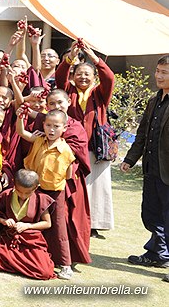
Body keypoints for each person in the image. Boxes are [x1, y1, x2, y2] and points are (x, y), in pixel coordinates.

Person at [55, 40, 115, 237]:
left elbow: (109, 78)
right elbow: (60, 76)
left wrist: (95, 59)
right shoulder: (68, 92)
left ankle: (95, 224)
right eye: (79, 73)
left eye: (87, 74)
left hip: (94, 148)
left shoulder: (99, 93)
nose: (82, 77)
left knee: (97, 187)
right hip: (71, 147)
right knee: (74, 185)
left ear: (94, 77)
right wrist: (70, 57)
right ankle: (74, 220)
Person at [122, 55, 169, 283]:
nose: (159, 76)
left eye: (164, 72)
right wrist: (130, 159)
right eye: (158, 71)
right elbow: (142, 134)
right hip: (152, 169)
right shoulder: (154, 101)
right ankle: (157, 254)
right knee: (151, 214)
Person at [17, 109, 76, 279]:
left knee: (58, 226)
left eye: (56, 126)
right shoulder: (39, 140)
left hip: (55, 191)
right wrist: (21, 117)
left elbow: (69, 174)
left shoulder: (65, 150)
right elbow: (22, 133)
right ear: (43, 125)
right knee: (30, 220)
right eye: (48, 125)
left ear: (64, 128)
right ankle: (29, 257)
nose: (51, 130)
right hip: (35, 188)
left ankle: (66, 264)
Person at [0, 169, 56, 280]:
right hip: (9, 239)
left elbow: (47, 223)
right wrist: (4, 221)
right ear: (14, 184)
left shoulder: (41, 198)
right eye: (19, 191)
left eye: (27, 193)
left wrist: (28, 226)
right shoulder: (6, 195)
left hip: (31, 241)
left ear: (36, 187)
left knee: (44, 272)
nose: (22, 195)